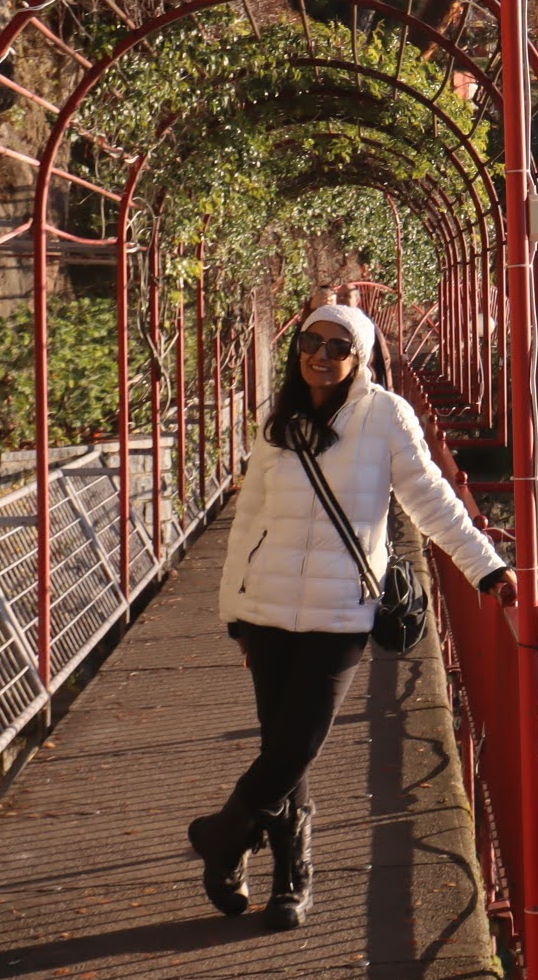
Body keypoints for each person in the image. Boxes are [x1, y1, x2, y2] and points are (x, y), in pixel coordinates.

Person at [190, 304, 514, 930]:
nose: (321, 354)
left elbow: (431, 499)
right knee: (284, 749)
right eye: (312, 341)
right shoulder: (275, 420)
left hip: (341, 610)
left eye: (339, 347)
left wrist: (488, 570)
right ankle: (288, 878)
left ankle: (223, 837)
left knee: (296, 746)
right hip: (266, 607)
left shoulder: (386, 416)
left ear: (359, 359)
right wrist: (235, 609)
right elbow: (248, 521)